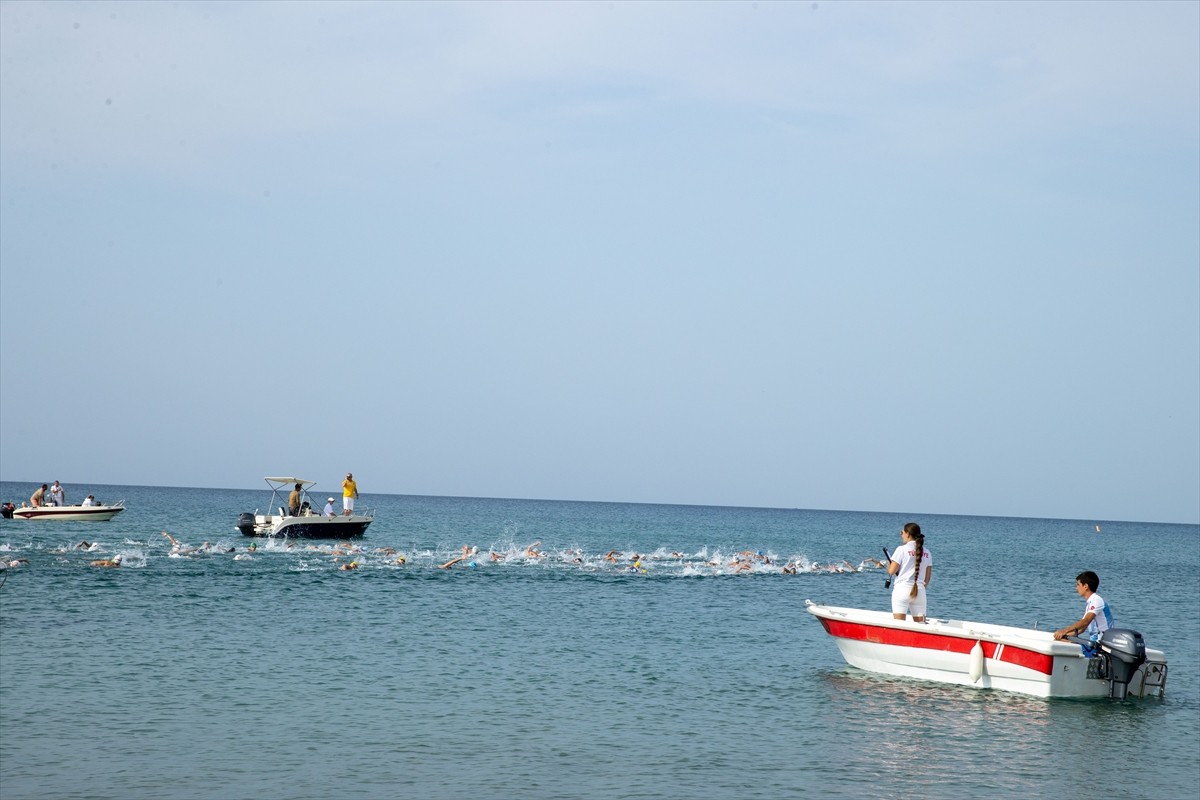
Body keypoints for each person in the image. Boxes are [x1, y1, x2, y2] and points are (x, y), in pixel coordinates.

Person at [887, 522, 933, 622]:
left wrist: (888, 562)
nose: (901, 535)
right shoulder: (927, 553)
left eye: (902, 532)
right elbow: (927, 578)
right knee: (921, 627)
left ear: (908, 534)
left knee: (899, 626)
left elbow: (891, 571)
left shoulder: (901, 550)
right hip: (919, 591)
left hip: (902, 589)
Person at [1053, 571, 1114, 642]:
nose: (1076, 588)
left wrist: (1064, 631)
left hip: (1102, 644)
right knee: (1060, 641)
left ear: (1085, 586)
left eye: (1078, 585)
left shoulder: (1097, 600)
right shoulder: (1090, 603)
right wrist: (1064, 636)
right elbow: (1081, 629)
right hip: (1094, 643)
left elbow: (1085, 621)